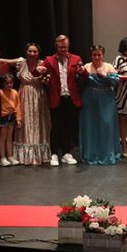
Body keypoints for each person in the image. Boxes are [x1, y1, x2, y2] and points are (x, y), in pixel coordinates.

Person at [44, 35, 88, 166]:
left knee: (69, 127)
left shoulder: (76, 59)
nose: (63, 49)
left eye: (65, 47)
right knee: (56, 127)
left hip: (71, 98)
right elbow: (37, 73)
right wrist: (39, 70)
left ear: (68, 46)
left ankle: (66, 153)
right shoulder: (49, 60)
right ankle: (53, 154)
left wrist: (82, 71)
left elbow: (85, 78)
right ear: (56, 47)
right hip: (56, 97)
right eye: (60, 47)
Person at [10, 42, 52, 166]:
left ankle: (39, 155)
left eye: (35, 51)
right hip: (24, 96)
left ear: (38, 53)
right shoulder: (21, 63)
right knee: (24, 122)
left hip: (39, 96)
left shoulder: (43, 64)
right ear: (26, 52)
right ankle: (25, 156)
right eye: (30, 51)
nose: (32, 53)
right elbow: (5, 61)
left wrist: (46, 81)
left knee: (39, 122)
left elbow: (50, 82)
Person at [79, 45, 122, 165]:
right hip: (89, 100)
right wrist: (81, 74)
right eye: (94, 55)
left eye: (99, 55)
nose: (97, 57)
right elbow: (80, 82)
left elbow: (116, 82)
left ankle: (106, 154)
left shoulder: (108, 66)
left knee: (106, 125)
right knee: (91, 126)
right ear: (91, 55)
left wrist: (105, 75)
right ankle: (91, 154)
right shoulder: (86, 66)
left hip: (106, 100)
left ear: (103, 55)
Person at [0, 73, 21, 168]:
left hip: (12, 116)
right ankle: (2, 157)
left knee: (10, 137)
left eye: (11, 83)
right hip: (4, 116)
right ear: (3, 83)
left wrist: (18, 119)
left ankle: (10, 156)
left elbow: (17, 105)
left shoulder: (14, 92)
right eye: (7, 83)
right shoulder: (0, 92)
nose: (9, 85)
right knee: (3, 137)